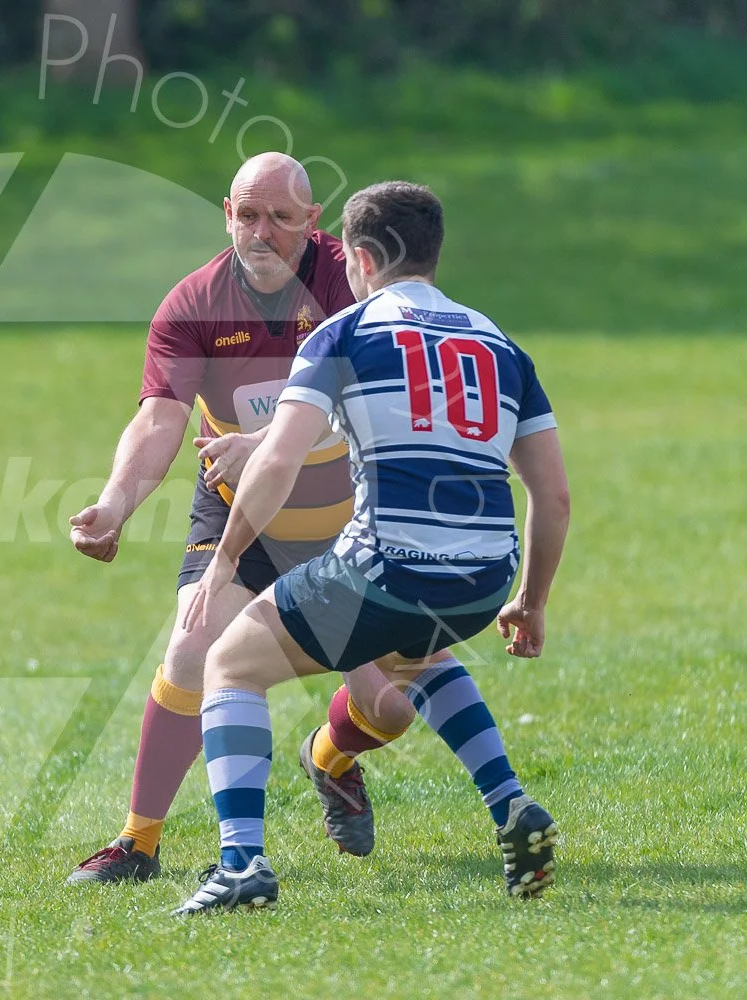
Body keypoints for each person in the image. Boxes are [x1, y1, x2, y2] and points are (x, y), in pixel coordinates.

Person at [173, 180, 569, 914]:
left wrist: (224, 558)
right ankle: (511, 805)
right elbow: (554, 496)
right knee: (416, 652)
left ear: (358, 257)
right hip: (484, 578)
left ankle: (241, 863)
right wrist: (531, 603)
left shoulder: (344, 333)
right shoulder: (500, 344)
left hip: (385, 567)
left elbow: (280, 458)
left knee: (230, 662)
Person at [65, 151, 401, 884]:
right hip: (240, 522)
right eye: (248, 215)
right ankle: (138, 843)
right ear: (227, 214)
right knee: (191, 651)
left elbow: (385, 398)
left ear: (313, 223)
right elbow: (159, 419)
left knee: (392, 704)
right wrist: (116, 502)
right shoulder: (193, 304)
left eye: (281, 217)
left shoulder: (355, 285)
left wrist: (268, 441)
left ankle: (330, 756)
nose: (262, 232)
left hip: (353, 522)